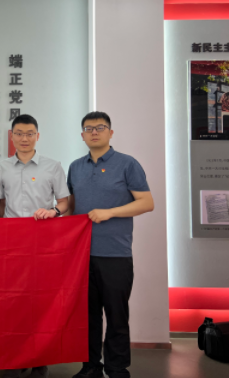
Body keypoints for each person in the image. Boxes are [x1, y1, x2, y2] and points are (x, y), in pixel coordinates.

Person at [66, 112, 153, 378]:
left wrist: (110, 212)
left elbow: (146, 202)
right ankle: (90, 366)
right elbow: (72, 206)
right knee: (88, 318)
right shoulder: (75, 167)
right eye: (88, 128)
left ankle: (117, 369)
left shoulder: (127, 164)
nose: (94, 132)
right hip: (82, 256)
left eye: (100, 127)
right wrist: (52, 214)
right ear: (82, 135)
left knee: (117, 316)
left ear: (110, 133)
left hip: (116, 255)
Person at [0, 114, 70, 378]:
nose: (24, 138)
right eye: (19, 133)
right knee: (13, 301)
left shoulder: (53, 166)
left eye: (29, 134)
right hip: (12, 244)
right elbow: (1, 205)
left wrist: (53, 212)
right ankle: (16, 358)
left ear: (37, 136)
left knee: (40, 301)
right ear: (12, 136)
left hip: (43, 243)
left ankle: (40, 359)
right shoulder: (2, 167)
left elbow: (65, 202)